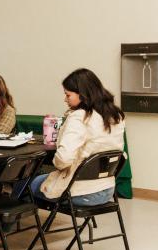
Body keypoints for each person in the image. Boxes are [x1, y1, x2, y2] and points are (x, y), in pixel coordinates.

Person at [28, 68, 125, 206]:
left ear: (83, 94)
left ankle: (5, 224)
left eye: (68, 95)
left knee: (26, 184)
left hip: (82, 191)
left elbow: (64, 158)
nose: (65, 99)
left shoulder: (80, 117)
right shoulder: (116, 116)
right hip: (107, 189)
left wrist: (56, 164)